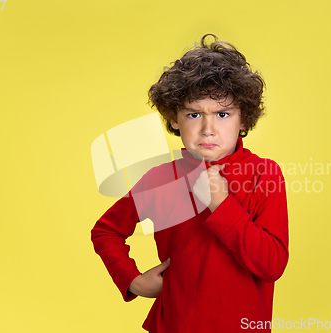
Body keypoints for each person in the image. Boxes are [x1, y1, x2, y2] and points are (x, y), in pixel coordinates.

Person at [91, 33, 289, 333]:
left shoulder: (265, 174)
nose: (208, 129)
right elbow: (106, 231)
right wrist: (132, 279)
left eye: (223, 114)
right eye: (194, 114)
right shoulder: (160, 179)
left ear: (243, 119)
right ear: (173, 118)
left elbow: (272, 265)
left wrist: (221, 205)